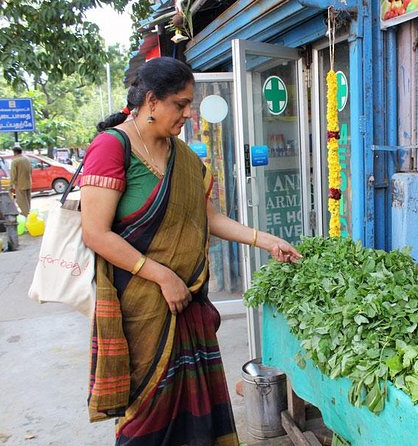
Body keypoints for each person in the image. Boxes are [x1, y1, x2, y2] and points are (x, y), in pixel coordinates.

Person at [80, 56, 301, 446]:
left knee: (196, 417)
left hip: (186, 305)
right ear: (151, 101)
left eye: (189, 103)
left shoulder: (182, 156)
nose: (187, 112)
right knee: (146, 415)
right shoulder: (112, 147)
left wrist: (267, 241)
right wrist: (163, 276)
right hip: (142, 308)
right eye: (180, 104)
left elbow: (211, 218)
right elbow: (95, 233)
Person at [9, 146, 32, 216]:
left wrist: (11, 185)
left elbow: (13, 174)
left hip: (20, 184)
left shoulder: (15, 161)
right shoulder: (27, 159)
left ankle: (26, 215)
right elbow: (31, 170)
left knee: (21, 201)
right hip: (28, 182)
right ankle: (29, 214)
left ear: (15, 152)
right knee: (28, 200)